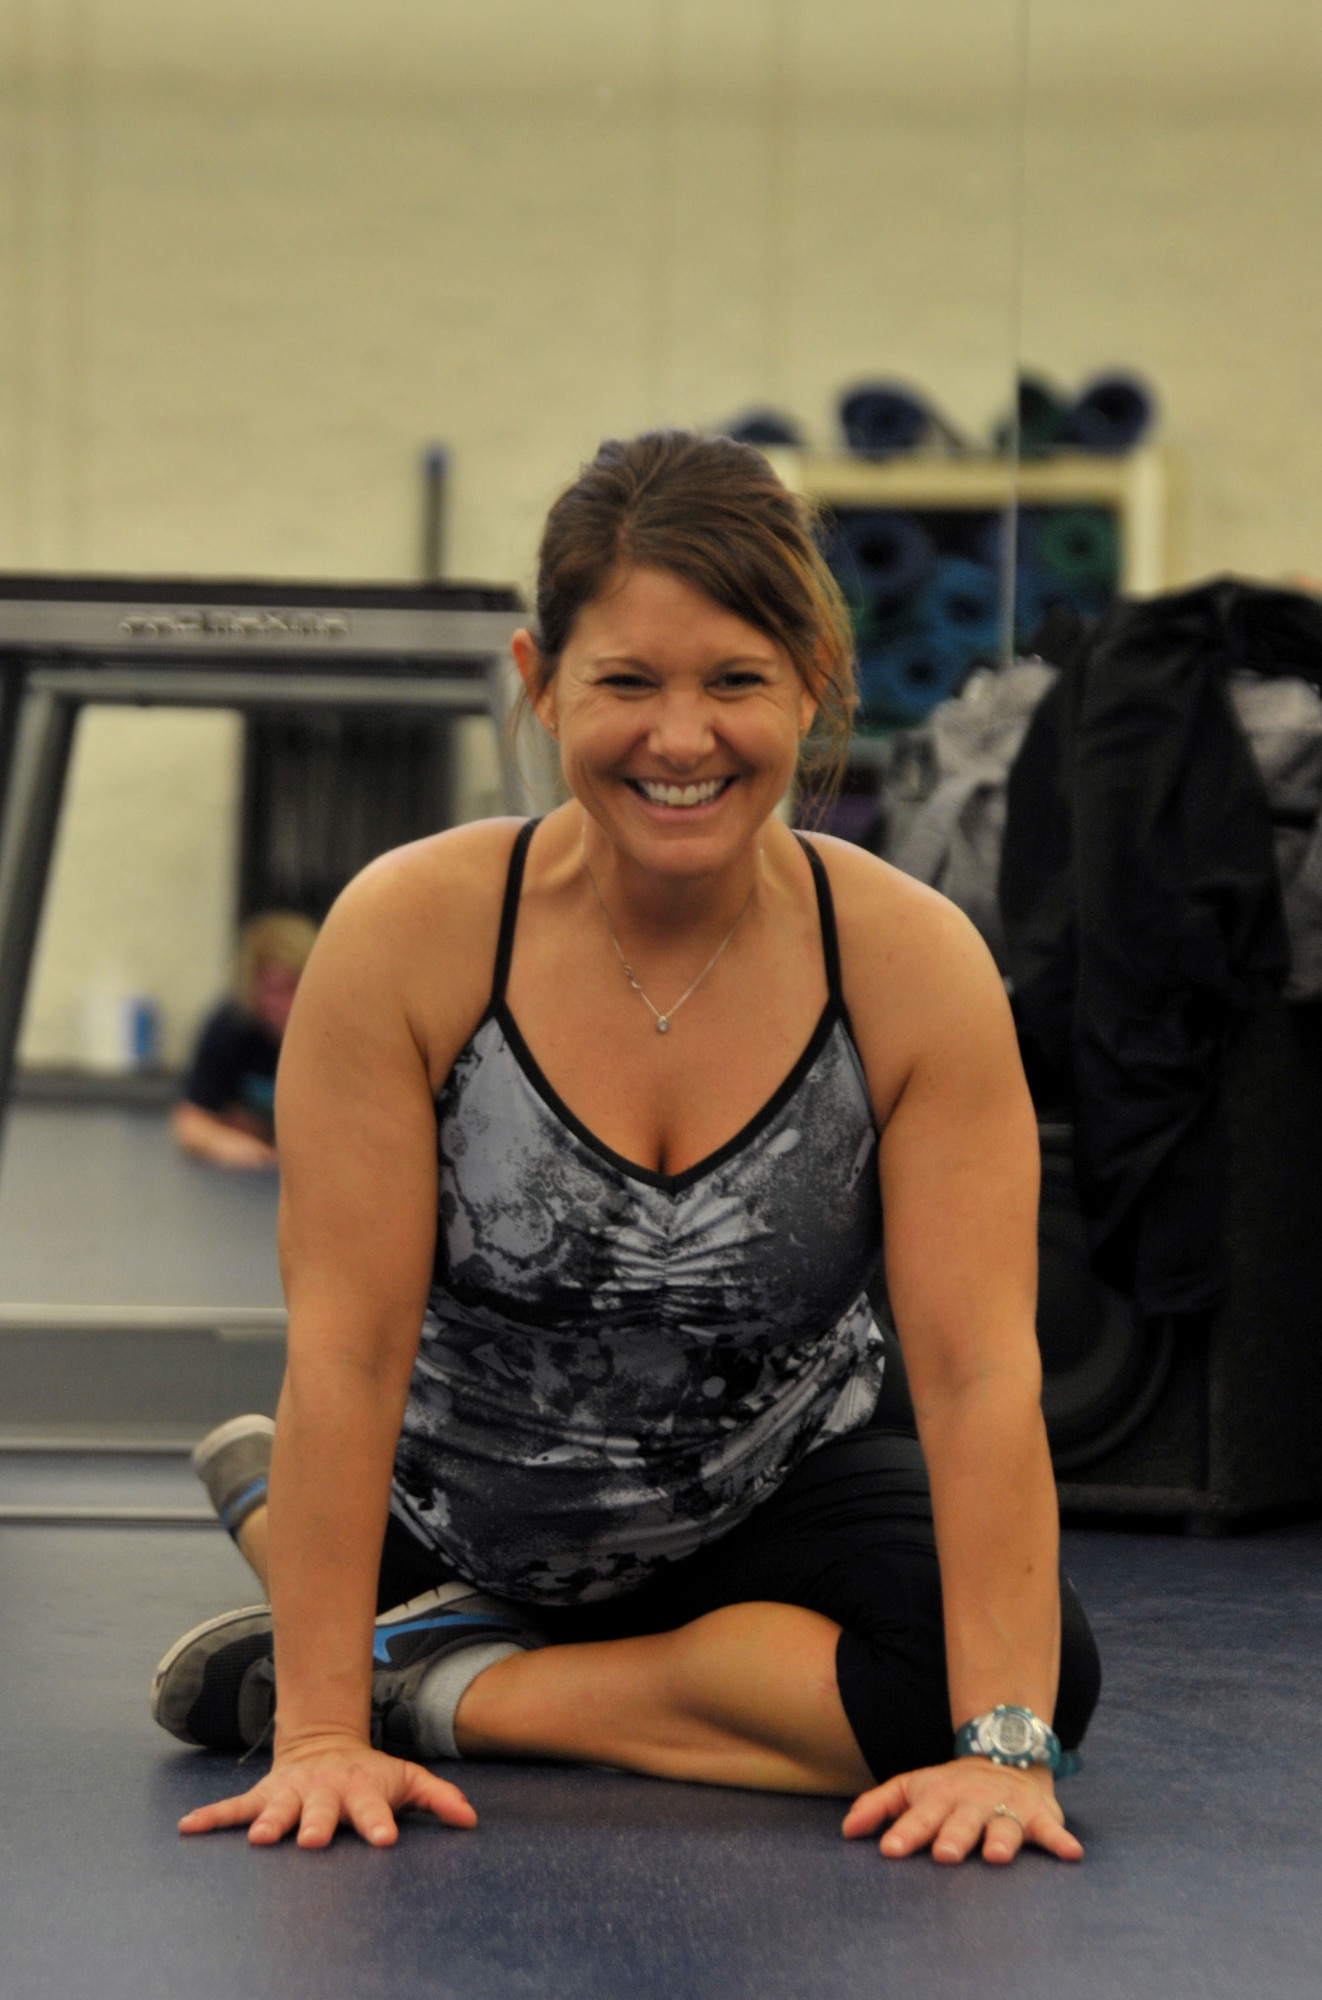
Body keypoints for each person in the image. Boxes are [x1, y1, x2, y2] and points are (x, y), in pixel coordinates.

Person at [151, 431, 1099, 1867]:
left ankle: (450, 1681)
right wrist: (320, 1738)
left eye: (733, 681)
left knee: (1015, 1689)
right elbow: (347, 1348)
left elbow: (975, 1372)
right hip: (465, 1500)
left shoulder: (911, 965)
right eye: (625, 683)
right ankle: (359, 1601)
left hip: (767, 1488)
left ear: (815, 683)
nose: (679, 737)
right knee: (909, 1699)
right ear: (539, 682)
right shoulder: (412, 937)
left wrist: (1007, 1752)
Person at [171, 911, 317, 1169]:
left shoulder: (339, 1035)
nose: (286, 1004)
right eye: (272, 989)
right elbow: (191, 1124)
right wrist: (235, 1145)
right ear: (252, 988)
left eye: (294, 986)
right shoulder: (230, 1027)